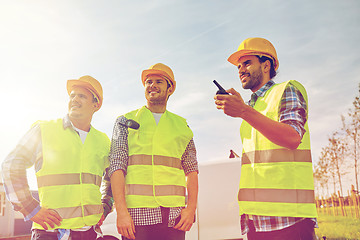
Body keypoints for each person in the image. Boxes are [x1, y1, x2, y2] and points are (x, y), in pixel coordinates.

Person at [214, 37, 318, 239]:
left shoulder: (286, 90)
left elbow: (293, 137)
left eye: (247, 63)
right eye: (238, 66)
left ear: (266, 65)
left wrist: (243, 110)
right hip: (256, 221)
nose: (241, 70)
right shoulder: (253, 107)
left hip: (289, 220)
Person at [1, 76, 111, 240]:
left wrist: (106, 205)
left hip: (90, 232)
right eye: (72, 95)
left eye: (81, 96)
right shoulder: (44, 130)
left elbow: (112, 176)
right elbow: (11, 165)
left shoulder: (103, 140)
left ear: (96, 104)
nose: (74, 99)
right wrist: (30, 208)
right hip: (51, 232)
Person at [108, 63, 199, 240]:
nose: (152, 85)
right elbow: (116, 167)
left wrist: (190, 209)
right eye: (148, 81)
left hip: (174, 216)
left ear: (170, 88)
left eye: (159, 81)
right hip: (136, 216)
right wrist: (121, 212)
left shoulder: (182, 126)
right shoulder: (125, 121)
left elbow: (192, 170)